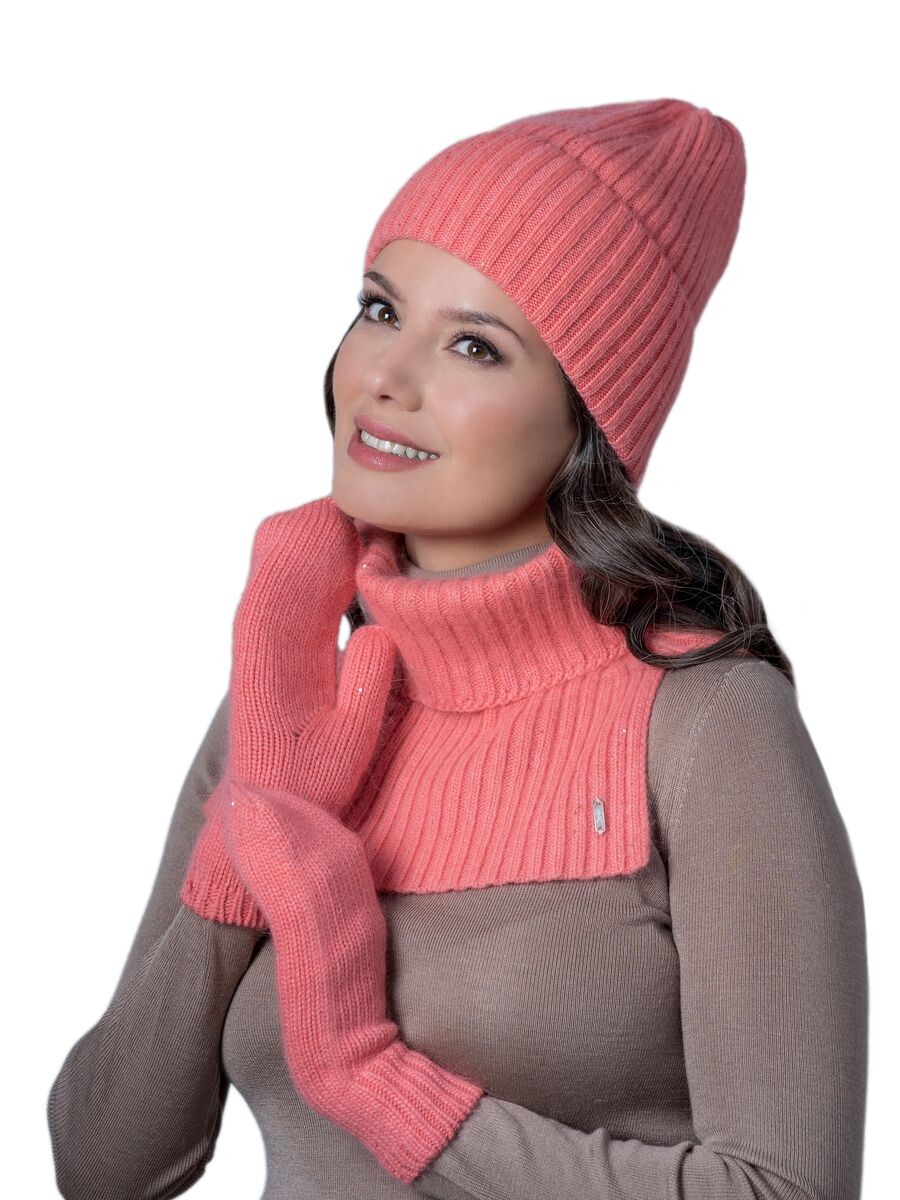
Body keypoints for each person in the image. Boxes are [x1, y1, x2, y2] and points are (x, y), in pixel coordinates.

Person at [47, 98, 868, 1199]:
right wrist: (241, 858)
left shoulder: (705, 719)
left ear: (589, 420)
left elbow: (785, 1189)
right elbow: (104, 1166)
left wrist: (371, 1078)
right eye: (379, 309)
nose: (386, 376)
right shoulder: (290, 693)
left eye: (474, 345)